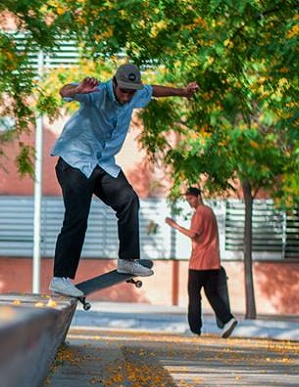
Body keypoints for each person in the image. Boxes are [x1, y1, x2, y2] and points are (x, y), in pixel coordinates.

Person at [49, 63, 200, 298]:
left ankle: (127, 260)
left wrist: (182, 92)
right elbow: (64, 91)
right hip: (75, 161)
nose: (127, 97)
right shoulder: (96, 92)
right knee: (77, 217)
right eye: (123, 92)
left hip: (102, 164)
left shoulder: (134, 94)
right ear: (114, 83)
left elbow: (154, 90)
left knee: (128, 200)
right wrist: (77, 89)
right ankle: (61, 278)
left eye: (131, 93)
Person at [165, 187, 238, 338]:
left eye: (191, 199)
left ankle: (194, 330)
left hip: (199, 262)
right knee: (212, 293)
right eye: (187, 200)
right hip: (213, 262)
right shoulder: (210, 211)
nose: (189, 202)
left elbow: (193, 234)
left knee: (194, 295)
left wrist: (175, 226)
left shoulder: (200, 212)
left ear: (198, 197)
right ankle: (228, 319)